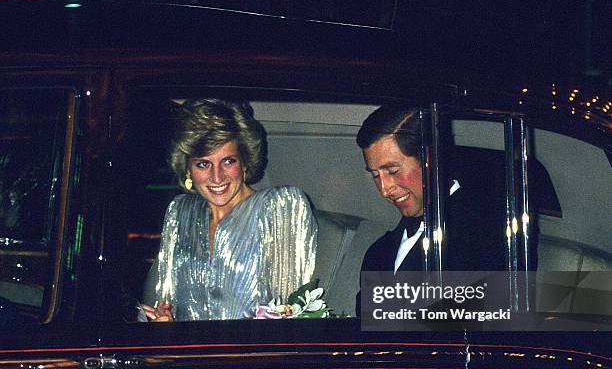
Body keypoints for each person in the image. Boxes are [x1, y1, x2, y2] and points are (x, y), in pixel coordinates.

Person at [140, 98, 317, 321]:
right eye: (203, 164)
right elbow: (161, 304)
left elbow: (288, 314)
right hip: (185, 355)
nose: (217, 177)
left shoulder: (280, 206)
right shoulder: (180, 213)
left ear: (244, 162)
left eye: (228, 161)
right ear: (188, 170)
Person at [356, 104, 508, 277]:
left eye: (393, 171)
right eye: (375, 175)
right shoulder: (377, 254)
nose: (384, 190)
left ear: (430, 158)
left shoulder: (489, 233)